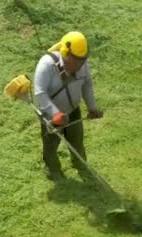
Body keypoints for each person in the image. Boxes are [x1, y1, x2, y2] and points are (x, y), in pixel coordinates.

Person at [33, 31, 103, 181]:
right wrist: (54, 113)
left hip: (73, 111)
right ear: (65, 53)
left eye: (83, 60)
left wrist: (92, 107)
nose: (80, 64)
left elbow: (87, 84)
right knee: (51, 146)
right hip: (51, 117)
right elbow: (40, 93)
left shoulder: (82, 65)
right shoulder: (46, 65)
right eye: (77, 60)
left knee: (77, 141)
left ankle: (80, 164)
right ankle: (52, 169)